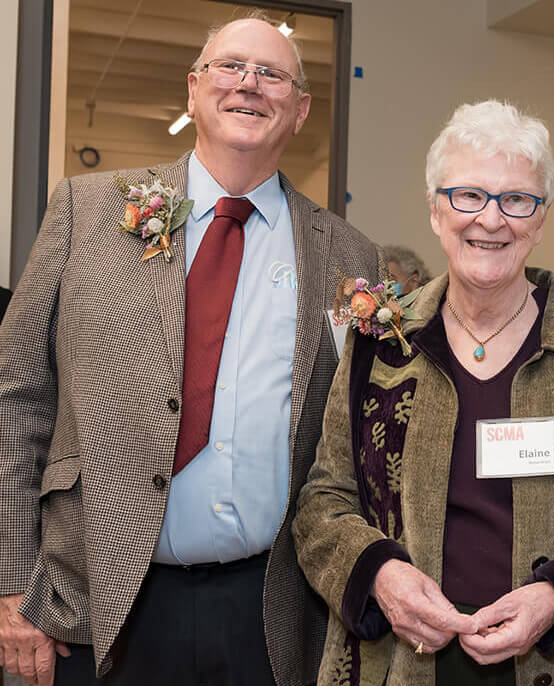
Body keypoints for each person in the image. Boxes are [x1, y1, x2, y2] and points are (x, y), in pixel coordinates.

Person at [0, 14, 385, 686]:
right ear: (193, 88)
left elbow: (372, 418)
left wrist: (514, 304)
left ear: (298, 110)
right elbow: (17, 398)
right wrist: (9, 584)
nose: (248, 85)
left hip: (271, 611)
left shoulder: (348, 255)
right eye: (230, 66)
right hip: (94, 597)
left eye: (272, 74)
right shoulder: (86, 210)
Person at [293, 100, 554, 686]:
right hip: (397, 664)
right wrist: (379, 575)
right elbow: (322, 501)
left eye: (516, 199)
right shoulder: (380, 343)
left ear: (540, 221)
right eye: (468, 195)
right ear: (436, 211)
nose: (490, 219)